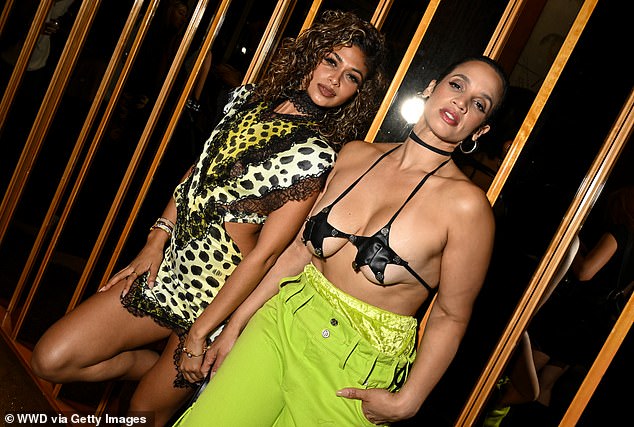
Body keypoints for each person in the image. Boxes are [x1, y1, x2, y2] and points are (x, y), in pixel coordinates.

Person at [30, 10, 388, 426]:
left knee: (142, 415)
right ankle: (160, 374)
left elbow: (266, 256)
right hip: (169, 271)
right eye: (331, 61)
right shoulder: (249, 102)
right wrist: (155, 240)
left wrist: (203, 333)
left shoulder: (315, 152)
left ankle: (171, 380)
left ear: (357, 94)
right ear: (310, 55)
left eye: (351, 77)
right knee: (50, 358)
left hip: (217, 296)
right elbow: (195, 173)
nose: (334, 79)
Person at [173, 55, 509, 426]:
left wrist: (409, 399)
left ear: (479, 131)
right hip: (284, 318)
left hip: (355, 368)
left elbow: (451, 314)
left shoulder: (468, 208)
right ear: (431, 89)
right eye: (457, 85)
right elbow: (299, 251)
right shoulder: (354, 155)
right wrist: (235, 326)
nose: (462, 102)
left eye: (479, 104)